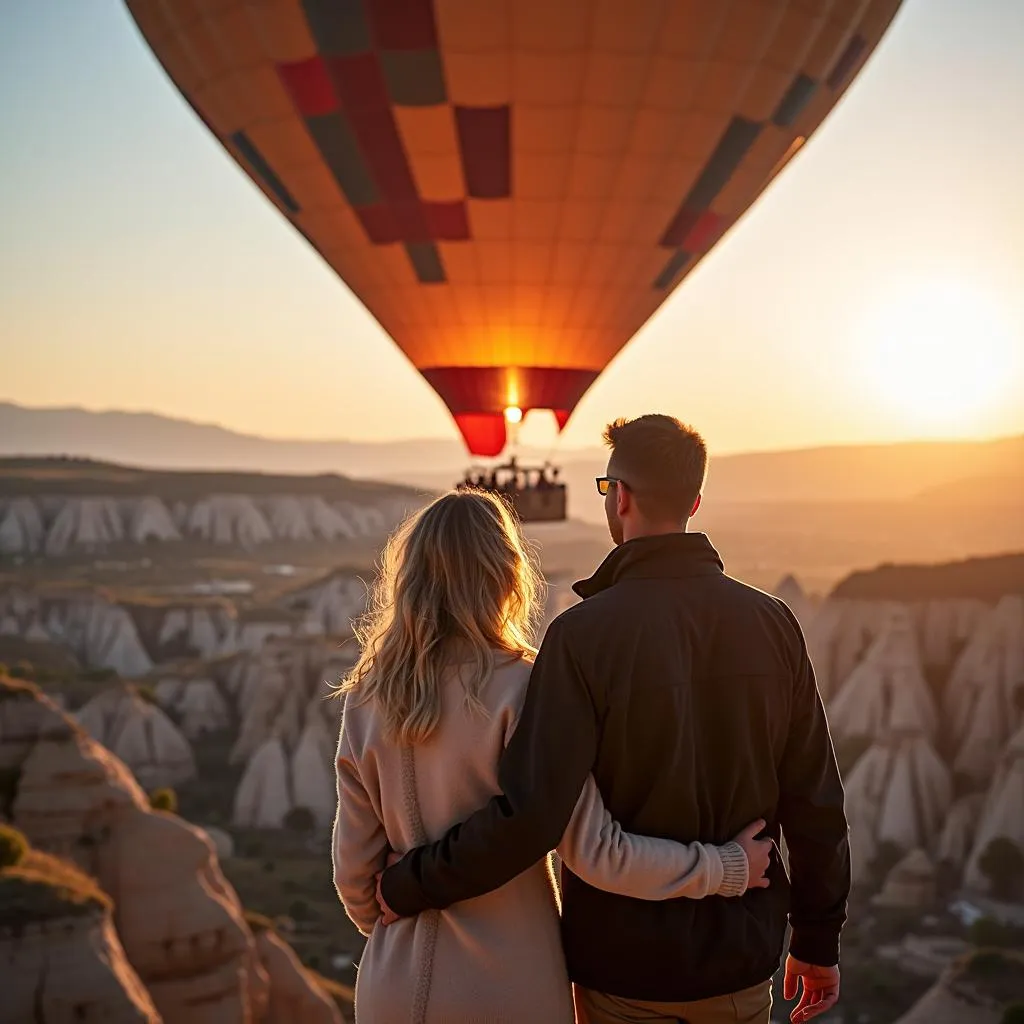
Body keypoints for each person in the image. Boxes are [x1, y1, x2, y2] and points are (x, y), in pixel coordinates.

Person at [378, 415, 851, 1024]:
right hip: (740, 963)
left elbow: (532, 816)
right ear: (695, 501)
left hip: (622, 976)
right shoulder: (774, 622)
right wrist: (817, 941)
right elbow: (815, 797)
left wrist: (408, 885)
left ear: (619, 496)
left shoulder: (581, 635)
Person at [332, 487, 774, 1024]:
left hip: (390, 989)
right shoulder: (527, 686)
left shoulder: (367, 696)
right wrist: (724, 868)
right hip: (509, 987)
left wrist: (399, 909)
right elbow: (597, 853)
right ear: (506, 574)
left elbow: (355, 878)